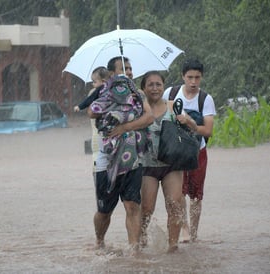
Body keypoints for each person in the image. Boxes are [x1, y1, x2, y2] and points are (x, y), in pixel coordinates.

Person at [87, 56, 154, 253]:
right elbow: (91, 112)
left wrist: (125, 127)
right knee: (104, 210)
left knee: (132, 205)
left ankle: (134, 252)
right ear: (112, 74)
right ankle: (99, 241)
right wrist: (116, 99)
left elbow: (149, 117)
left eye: (131, 68)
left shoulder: (138, 93)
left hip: (132, 157)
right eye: (124, 68)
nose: (130, 72)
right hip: (105, 159)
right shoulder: (101, 91)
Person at [139, 71, 196, 253]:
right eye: (150, 85)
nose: (155, 88)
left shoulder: (173, 106)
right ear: (143, 88)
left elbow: (194, 127)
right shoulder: (139, 109)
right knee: (147, 208)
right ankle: (141, 238)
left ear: (163, 87)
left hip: (172, 165)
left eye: (158, 84)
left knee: (175, 204)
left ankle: (173, 246)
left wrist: (187, 120)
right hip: (147, 165)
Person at [163, 59, 216, 242]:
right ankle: (184, 228)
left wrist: (191, 124)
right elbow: (162, 119)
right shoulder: (170, 93)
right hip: (176, 152)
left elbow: (208, 131)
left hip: (197, 152)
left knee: (196, 195)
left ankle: (193, 233)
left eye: (197, 78)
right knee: (178, 193)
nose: (193, 82)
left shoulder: (205, 99)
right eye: (190, 77)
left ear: (202, 78)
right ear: (182, 76)